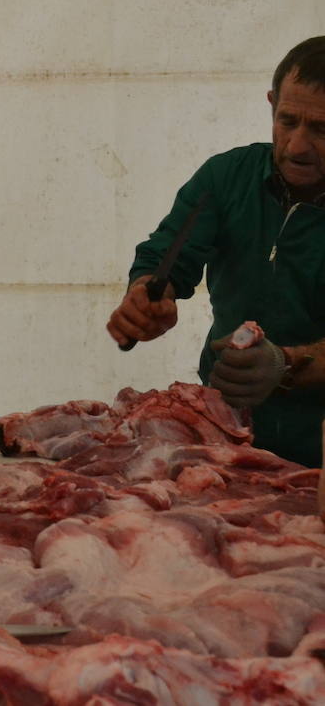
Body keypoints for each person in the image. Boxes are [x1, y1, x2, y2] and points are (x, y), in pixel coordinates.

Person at [107, 36, 325, 466]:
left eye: (322, 129)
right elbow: (166, 258)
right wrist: (149, 296)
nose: (298, 146)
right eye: (287, 121)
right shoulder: (226, 178)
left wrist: (286, 364)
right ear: (270, 105)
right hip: (228, 445)